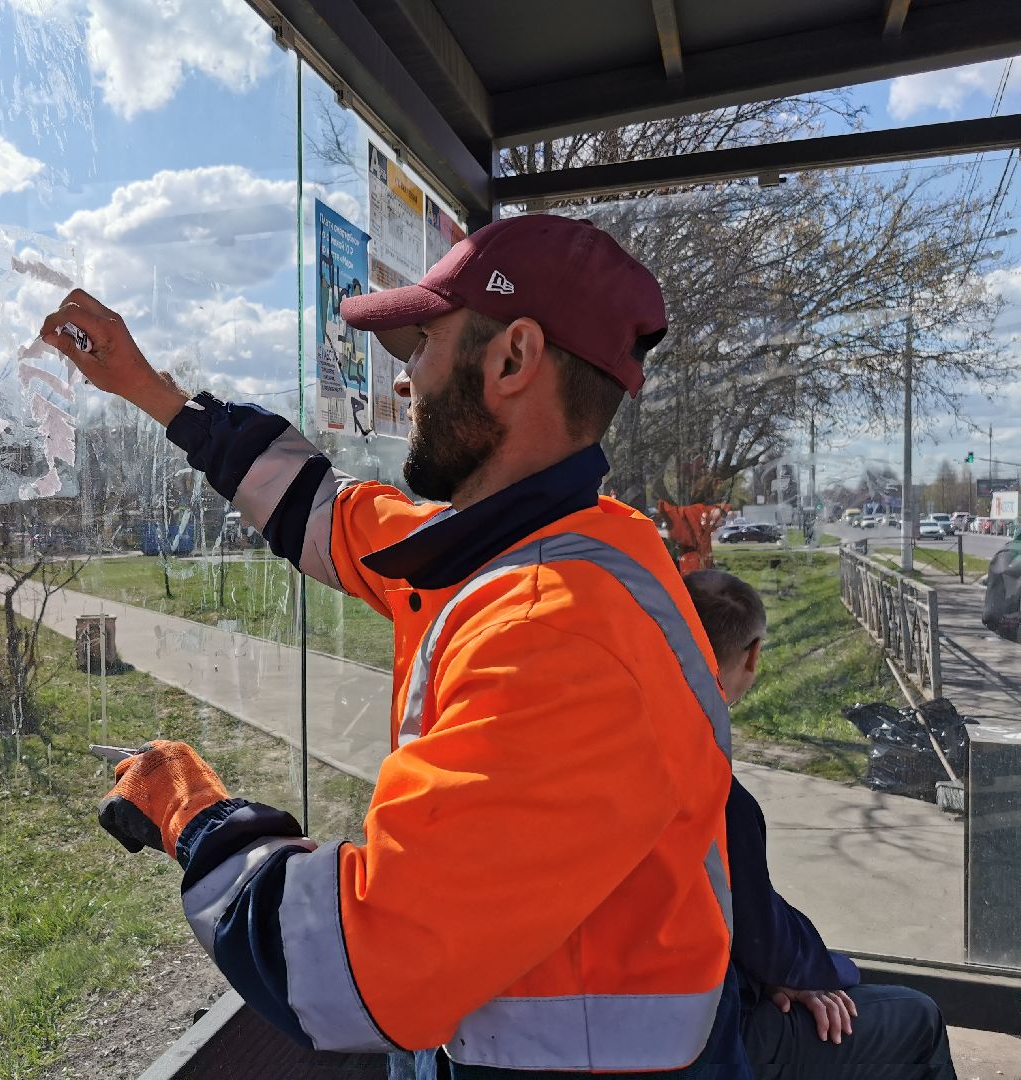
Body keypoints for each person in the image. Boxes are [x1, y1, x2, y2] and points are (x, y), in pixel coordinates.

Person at [40, 214, 746, 1077]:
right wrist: (155, 394)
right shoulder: (563, 543)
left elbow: (351, 966)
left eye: (420, 344)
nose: (403, 381)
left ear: (512, 359)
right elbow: (329, 513)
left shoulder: (552, 633)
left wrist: (189, 808)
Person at [682, 569, 957, 1078]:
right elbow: (759, 929)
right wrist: (814, 971)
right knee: (917, 1018)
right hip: (702, 1038)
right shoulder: (711, 788)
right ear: (753, 656)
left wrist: (776, 969)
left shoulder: (614, 752)